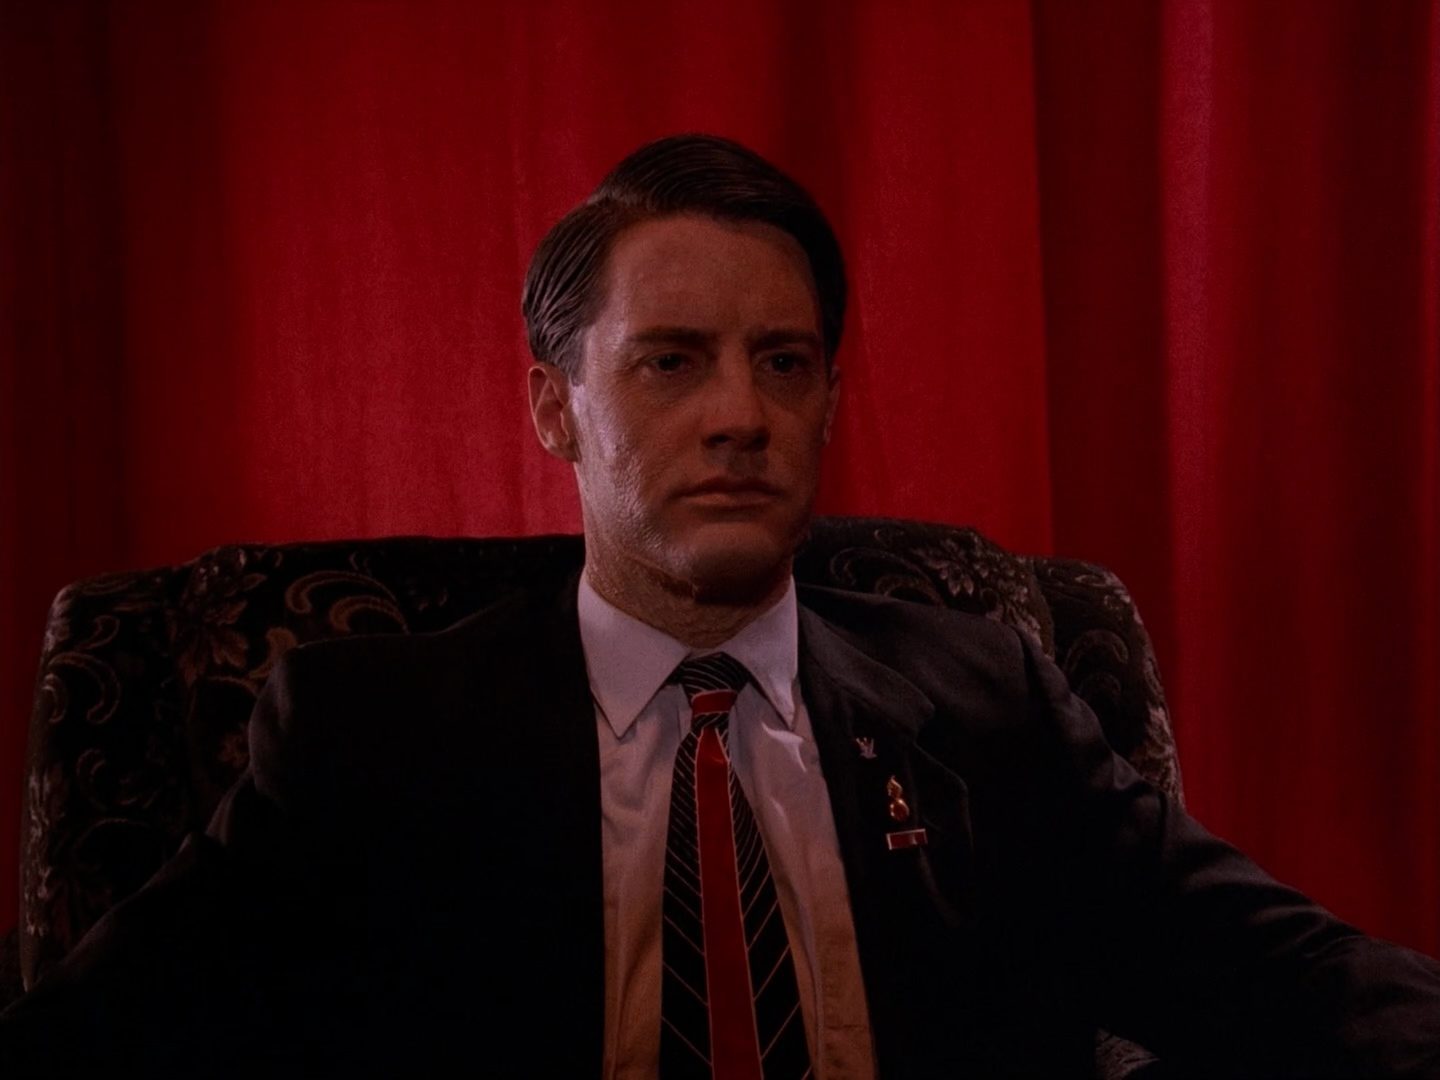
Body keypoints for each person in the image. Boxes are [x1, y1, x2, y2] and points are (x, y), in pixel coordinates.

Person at [3, 133, 1439, 1078]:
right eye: (674, 361)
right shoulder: (367, 737)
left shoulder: (987, 698)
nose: (742, 415)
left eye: (785, 362)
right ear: (555, 410)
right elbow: (114, 1036)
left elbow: (1274, 973)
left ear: (829, 400)